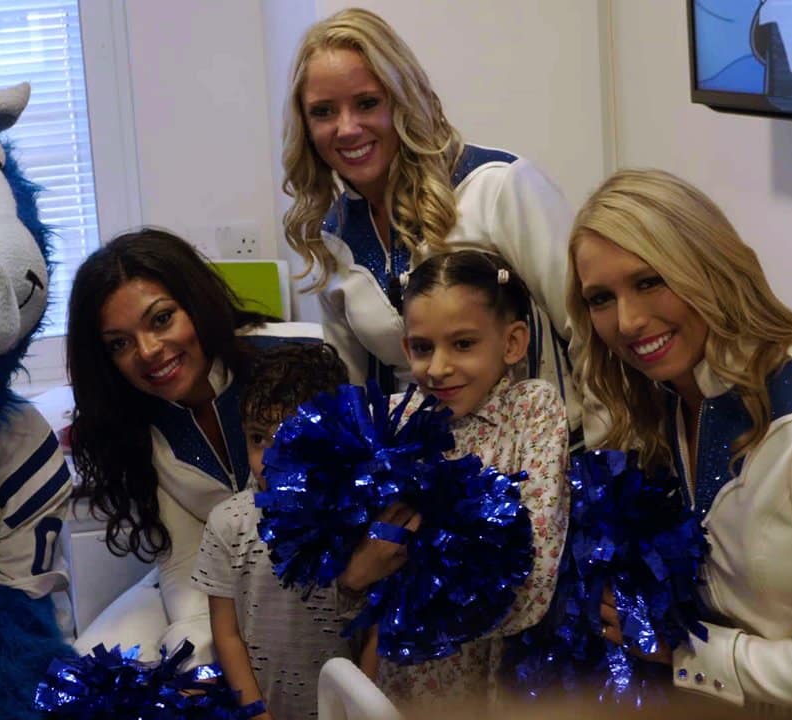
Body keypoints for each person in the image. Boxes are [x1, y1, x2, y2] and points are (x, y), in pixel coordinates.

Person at [569, 168, 792, 714]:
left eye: (649, 281)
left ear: (708, 268)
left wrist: (680, 648)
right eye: (600, 298)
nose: (629, 321)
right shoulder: (663, 396)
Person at [280, 7, 587, 447]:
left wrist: (609, 461)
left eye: (367, 103)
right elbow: (353, 399)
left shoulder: (497, 185)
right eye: (324, 111)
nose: (347, 128)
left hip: (552, 464)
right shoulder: (332, 235)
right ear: (306, 126)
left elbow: (588, 334)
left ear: (402, 98)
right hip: (433, 485)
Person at [65, 228, 321, 664]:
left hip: (315, 579)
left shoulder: (296, 365)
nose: (147, 351)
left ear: (197, 304)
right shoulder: (132, 424)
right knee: (89, 668)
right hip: (206, 580)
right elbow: (183, 559)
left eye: (161, 319)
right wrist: (197, 655)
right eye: (119, 343)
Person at [366, 250, 569, 706]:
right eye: (422, 347)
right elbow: (359, 566)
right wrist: (358, 578)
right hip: (409, 681)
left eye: (462, 344)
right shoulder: (400, 421)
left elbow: (534, 578)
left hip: (500, 683)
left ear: (513, 343)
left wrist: (417, 600)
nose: (437, 368)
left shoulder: (532, 411)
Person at [193, 342, 355, 720]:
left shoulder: (356, 518)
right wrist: (254, 711)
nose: (270, 458)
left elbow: (374, 630)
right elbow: (227, 633)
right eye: (257, 438)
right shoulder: (229, 523)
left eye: (292, 439)